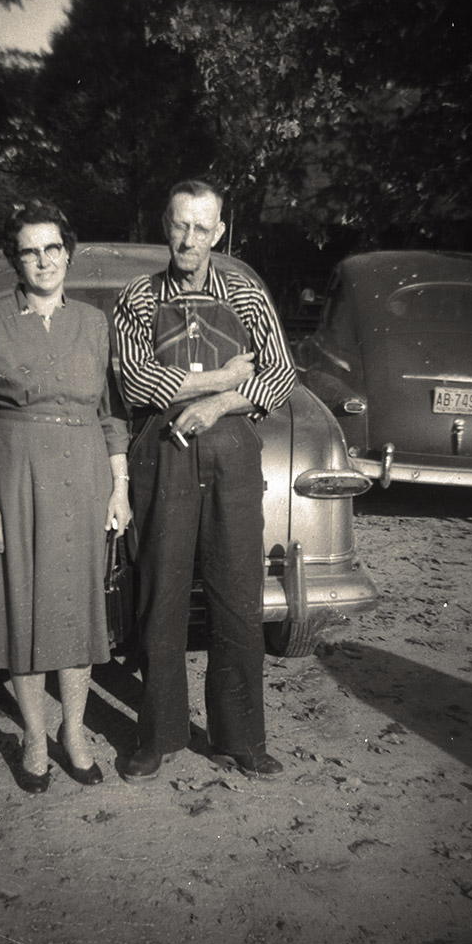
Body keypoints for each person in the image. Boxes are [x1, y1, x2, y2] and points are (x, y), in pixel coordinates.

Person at [0, 199, 132, 793]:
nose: (44, 260)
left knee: (75, 612)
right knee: (24, 609)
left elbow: (111, 416)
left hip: (85, 479)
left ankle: (73, 732)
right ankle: (33, 736)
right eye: (30, 250)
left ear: (68, 253)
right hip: (17, 476)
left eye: (53, 248)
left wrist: (120, 488)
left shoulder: (94, 323)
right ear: (15, 260)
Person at [114, 179, 296, 782]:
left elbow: (280, 374)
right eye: (179, 225)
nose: (189, 239)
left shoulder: (245, 293)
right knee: (160, 596)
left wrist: (219, 406)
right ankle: (157, 735)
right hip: (162, 457)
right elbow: (135, 383)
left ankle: (241, 738)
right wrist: (220, 378)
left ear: (220, 232)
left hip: (233, 460)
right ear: (164, 225)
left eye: (202, 227)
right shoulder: (137, 298)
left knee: (236, 598)